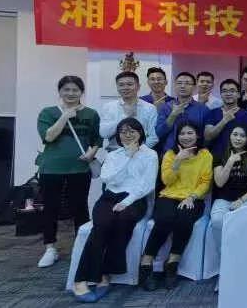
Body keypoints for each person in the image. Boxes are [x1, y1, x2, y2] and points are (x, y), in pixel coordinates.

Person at [72, 118, 158, 302]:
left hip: (136, 198)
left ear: (140, 133)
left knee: (123, 221)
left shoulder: (150, 155)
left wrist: (127, 202)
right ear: (118, 135)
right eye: (123, 132)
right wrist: (128, 157)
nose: (127, 135)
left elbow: (147, 185)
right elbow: (107, 178)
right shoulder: (113, 155)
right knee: (101, 225)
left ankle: (105, 273)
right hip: (109, 197)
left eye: (132, 131)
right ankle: (80, 280)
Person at [36, 76, 102, 268]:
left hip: (79, 168)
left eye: (75, 90)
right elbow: (48, 137)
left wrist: (92, 153)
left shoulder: (91, 114)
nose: (71, 93)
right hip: (51, 169)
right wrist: (65, 116)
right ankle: (50, 248)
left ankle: (81, 246)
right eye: (66, 89)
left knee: (79, 207)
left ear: (81, 92)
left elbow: (96, 139)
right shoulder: (48, 112)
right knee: (50, 208)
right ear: (60, 92)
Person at [140, 122, 212, 291]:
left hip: (193, 198)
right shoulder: (170, 154)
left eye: (190, 133)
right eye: (182, 133)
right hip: (169, 195)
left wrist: (192, 197)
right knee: (164, 219)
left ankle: (172, 263)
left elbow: (205, 182)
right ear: (177, 136)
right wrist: (178, 160)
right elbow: (167, 181)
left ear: (197, 135)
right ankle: (146, 261)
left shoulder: (205, 155)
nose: (186, 137)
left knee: (184, 220)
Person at [210, 124, 247, 287]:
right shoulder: (219, 155)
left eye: (242, 136)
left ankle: (243, 268)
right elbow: (219, 182)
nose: (238, 138)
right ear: (230, 136)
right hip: (223, 199)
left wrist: (241, 200)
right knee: (217, 221)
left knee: (243, 224)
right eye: (235, 134)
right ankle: (225, 267)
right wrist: (230, 161)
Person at [99, 72, 158, 149]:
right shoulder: (109, 107)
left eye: (129, 84)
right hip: (115, 152)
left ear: (138, 87)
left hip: (142, 152)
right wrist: (124, 117)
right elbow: (104, 134)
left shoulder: (150, 108)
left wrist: (138, 150)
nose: (125, 88)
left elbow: (154, 137)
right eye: (121, 85)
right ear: (117, 87)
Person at [155, 72, 210, 154]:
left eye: (187, 83)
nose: (183, 86)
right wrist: (173, 115)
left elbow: (206, 137)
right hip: (170, 154)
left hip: (195, 155)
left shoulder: (203, 109)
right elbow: (159, 133)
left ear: (194, 87)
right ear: (175, 86)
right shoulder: (165, 107)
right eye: (179, 83)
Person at [204, 79, 247, 156]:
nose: (228, 94)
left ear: (238, 94)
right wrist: (224, 120)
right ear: (220, 94)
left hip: (239, 158)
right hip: (215, 157)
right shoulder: (212, 113)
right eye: (224, 91)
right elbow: (208, 137)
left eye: (232, 91)